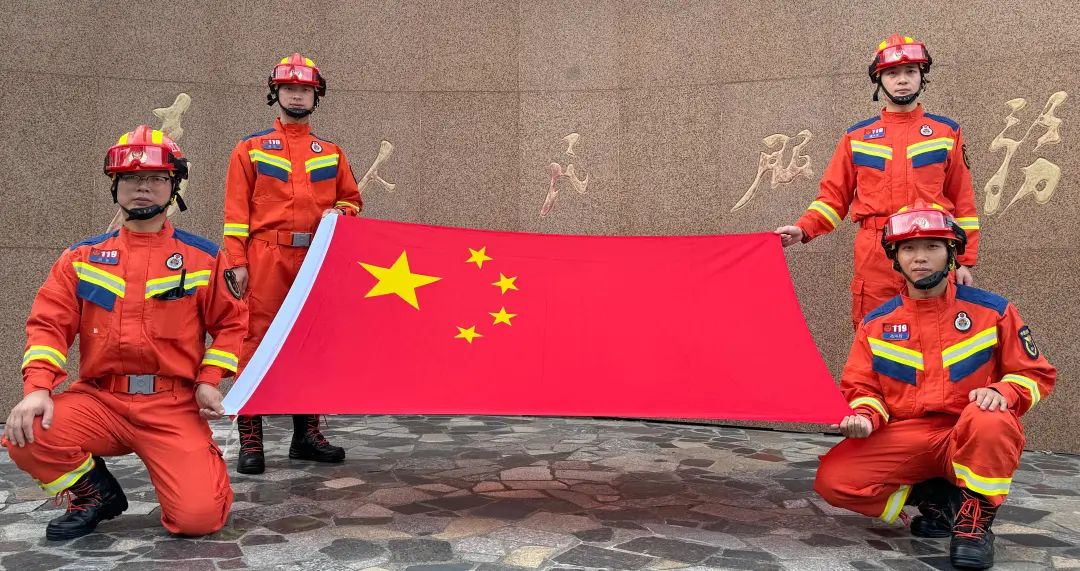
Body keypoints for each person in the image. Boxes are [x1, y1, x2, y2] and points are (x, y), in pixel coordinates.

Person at [3, 125, 246, 539]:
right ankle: (95, 494)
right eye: (131, 178)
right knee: (26, 433)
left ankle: (196, 469)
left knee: (199, 519)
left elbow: (232, 324)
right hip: (101, 400)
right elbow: (48, 325)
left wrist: (209, 380)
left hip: (171, 405)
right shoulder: (82, 258)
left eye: (155, 178)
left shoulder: (203, 259)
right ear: (115, 186)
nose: (142, 187)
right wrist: (37, 389)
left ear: (174, 187)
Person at [813, 203, 1056, 569]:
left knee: (991, 418)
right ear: (895, 258)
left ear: (952, 253)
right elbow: (862, 387)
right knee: (834, 480)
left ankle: (975, 525)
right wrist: (864, 416)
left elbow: (1036, 374)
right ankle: (936, 500)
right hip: (911, 434)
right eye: (909, 248)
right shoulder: (876, 324)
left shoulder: (993, 311)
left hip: (971, 429)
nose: (920, 257)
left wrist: (1002, 392)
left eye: (932, 246)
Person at [775, 35, 981, 329]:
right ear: (879, 80)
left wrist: (965, 260)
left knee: (937, 333)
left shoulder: (946, 132)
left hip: (931, 249)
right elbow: (833, 199)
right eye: (892, 73)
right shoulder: (857, 137)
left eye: (910, 71)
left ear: (922, 77)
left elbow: (963, 202)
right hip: (874, 255)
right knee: (875, 334)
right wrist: (804, 228)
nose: (902, 80)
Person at [223, 53, 361, 474]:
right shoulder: (249, 149)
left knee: (311, 340)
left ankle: (307, 435)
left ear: (316, 96)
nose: (297, 95)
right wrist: (237, 261)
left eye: (304, 89)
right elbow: (235, 213)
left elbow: (352, 200)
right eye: (289, 88)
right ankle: (251, 437)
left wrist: (341, 211)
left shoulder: (331, 152)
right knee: (253, 342)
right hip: (265, 256)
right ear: (275, 93)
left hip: (315, 259)